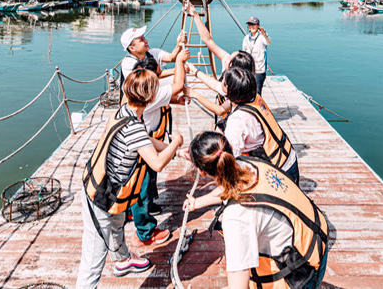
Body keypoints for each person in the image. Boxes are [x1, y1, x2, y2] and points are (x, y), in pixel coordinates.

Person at [76, 69, 184, 288]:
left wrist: (178, 152)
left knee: (117, 225)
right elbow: (156, 163)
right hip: (99, 199)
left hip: (111, 194)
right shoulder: (134, 126)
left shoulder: (126, 111)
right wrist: (176, 142)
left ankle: (123, 260)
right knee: (92, 262)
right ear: (152, 98)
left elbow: (145, 141)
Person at [184, 132, 329, 289]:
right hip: (316, 241)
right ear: (230, 149)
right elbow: (228, 187)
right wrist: (197, 203)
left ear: (202, 171)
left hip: (303, 274)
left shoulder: (236, 218)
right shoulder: (247, 165)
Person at [128, 48, 189, 241]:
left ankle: (144, 208)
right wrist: (179, 60)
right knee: (141, 187)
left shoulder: (139, 94)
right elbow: (178, 85)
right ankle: (145, 232)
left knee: (147, 183)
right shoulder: (149, 98)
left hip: (150, 140)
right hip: (144, 148)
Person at [242, 16, 271, 94]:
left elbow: (268, 42)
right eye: (250, 24)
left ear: (258, 26)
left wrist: (265, 35)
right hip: (249, 69)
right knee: (248, 91)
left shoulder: (262, 37)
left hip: (259, 70)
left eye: (254, 24)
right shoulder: (246, 38)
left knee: (257, 91)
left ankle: (258, 106)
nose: (252, 27)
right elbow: (244, 54)